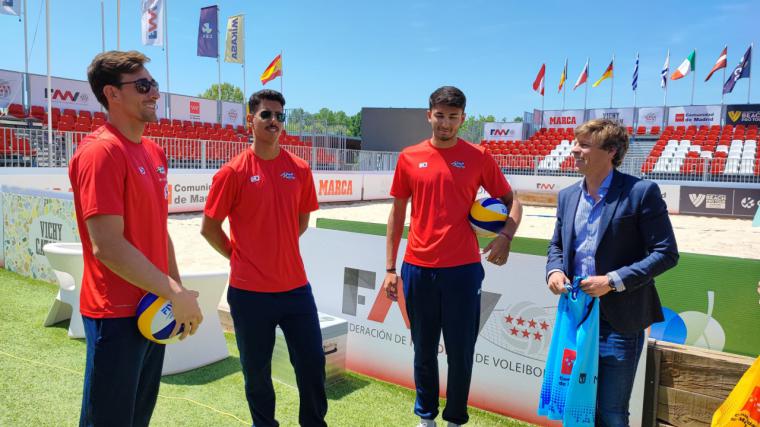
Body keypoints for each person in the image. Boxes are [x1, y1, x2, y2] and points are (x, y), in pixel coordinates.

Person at [69, 50, 203, 427]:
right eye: (143, 86)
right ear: (112, 94)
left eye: (154, 84)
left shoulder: (154, 151)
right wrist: (172, 293)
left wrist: (177, 289)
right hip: (114, 315)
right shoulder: (100, 152)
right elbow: (107, 246)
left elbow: (159, 229)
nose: (154, 94)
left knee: (137, 419)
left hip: (152, 308)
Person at [382, 86, 523, 427]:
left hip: (462, 271)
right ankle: (426, 417)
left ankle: (456, 419)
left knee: (460, 353)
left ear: (464, 118)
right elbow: (397, 214)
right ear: (429, 114)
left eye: (453, 117)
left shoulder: (479, 156)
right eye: (440, 115)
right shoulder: (409, 156)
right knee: (423, 350)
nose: (446, 123)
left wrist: (506, 235)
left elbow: (513, 202)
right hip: (417, 267)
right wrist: (390, 267)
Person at [201, 89, 327, 427]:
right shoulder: (232, 172)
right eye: (266, 115)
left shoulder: (299, 169)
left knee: (313, 365)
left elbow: (301, 221)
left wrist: (277, 245)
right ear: (250, 121)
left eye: (279, 116)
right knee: (257, 374)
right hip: (249, 293)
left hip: (296, 289)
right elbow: (209, 228)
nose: (274, 121)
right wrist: (239, 255)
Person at [545, 118, 679, 426]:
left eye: (584, 145)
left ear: (612, 151)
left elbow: (667, 253)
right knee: (575, 406)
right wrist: (554, 271)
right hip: (576, 316)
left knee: (611, 412)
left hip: (620, 322)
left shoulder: (641, 192)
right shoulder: (567, 196)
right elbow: (557, 247)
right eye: (575, 143)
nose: (574, 150)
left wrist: (613, 281)